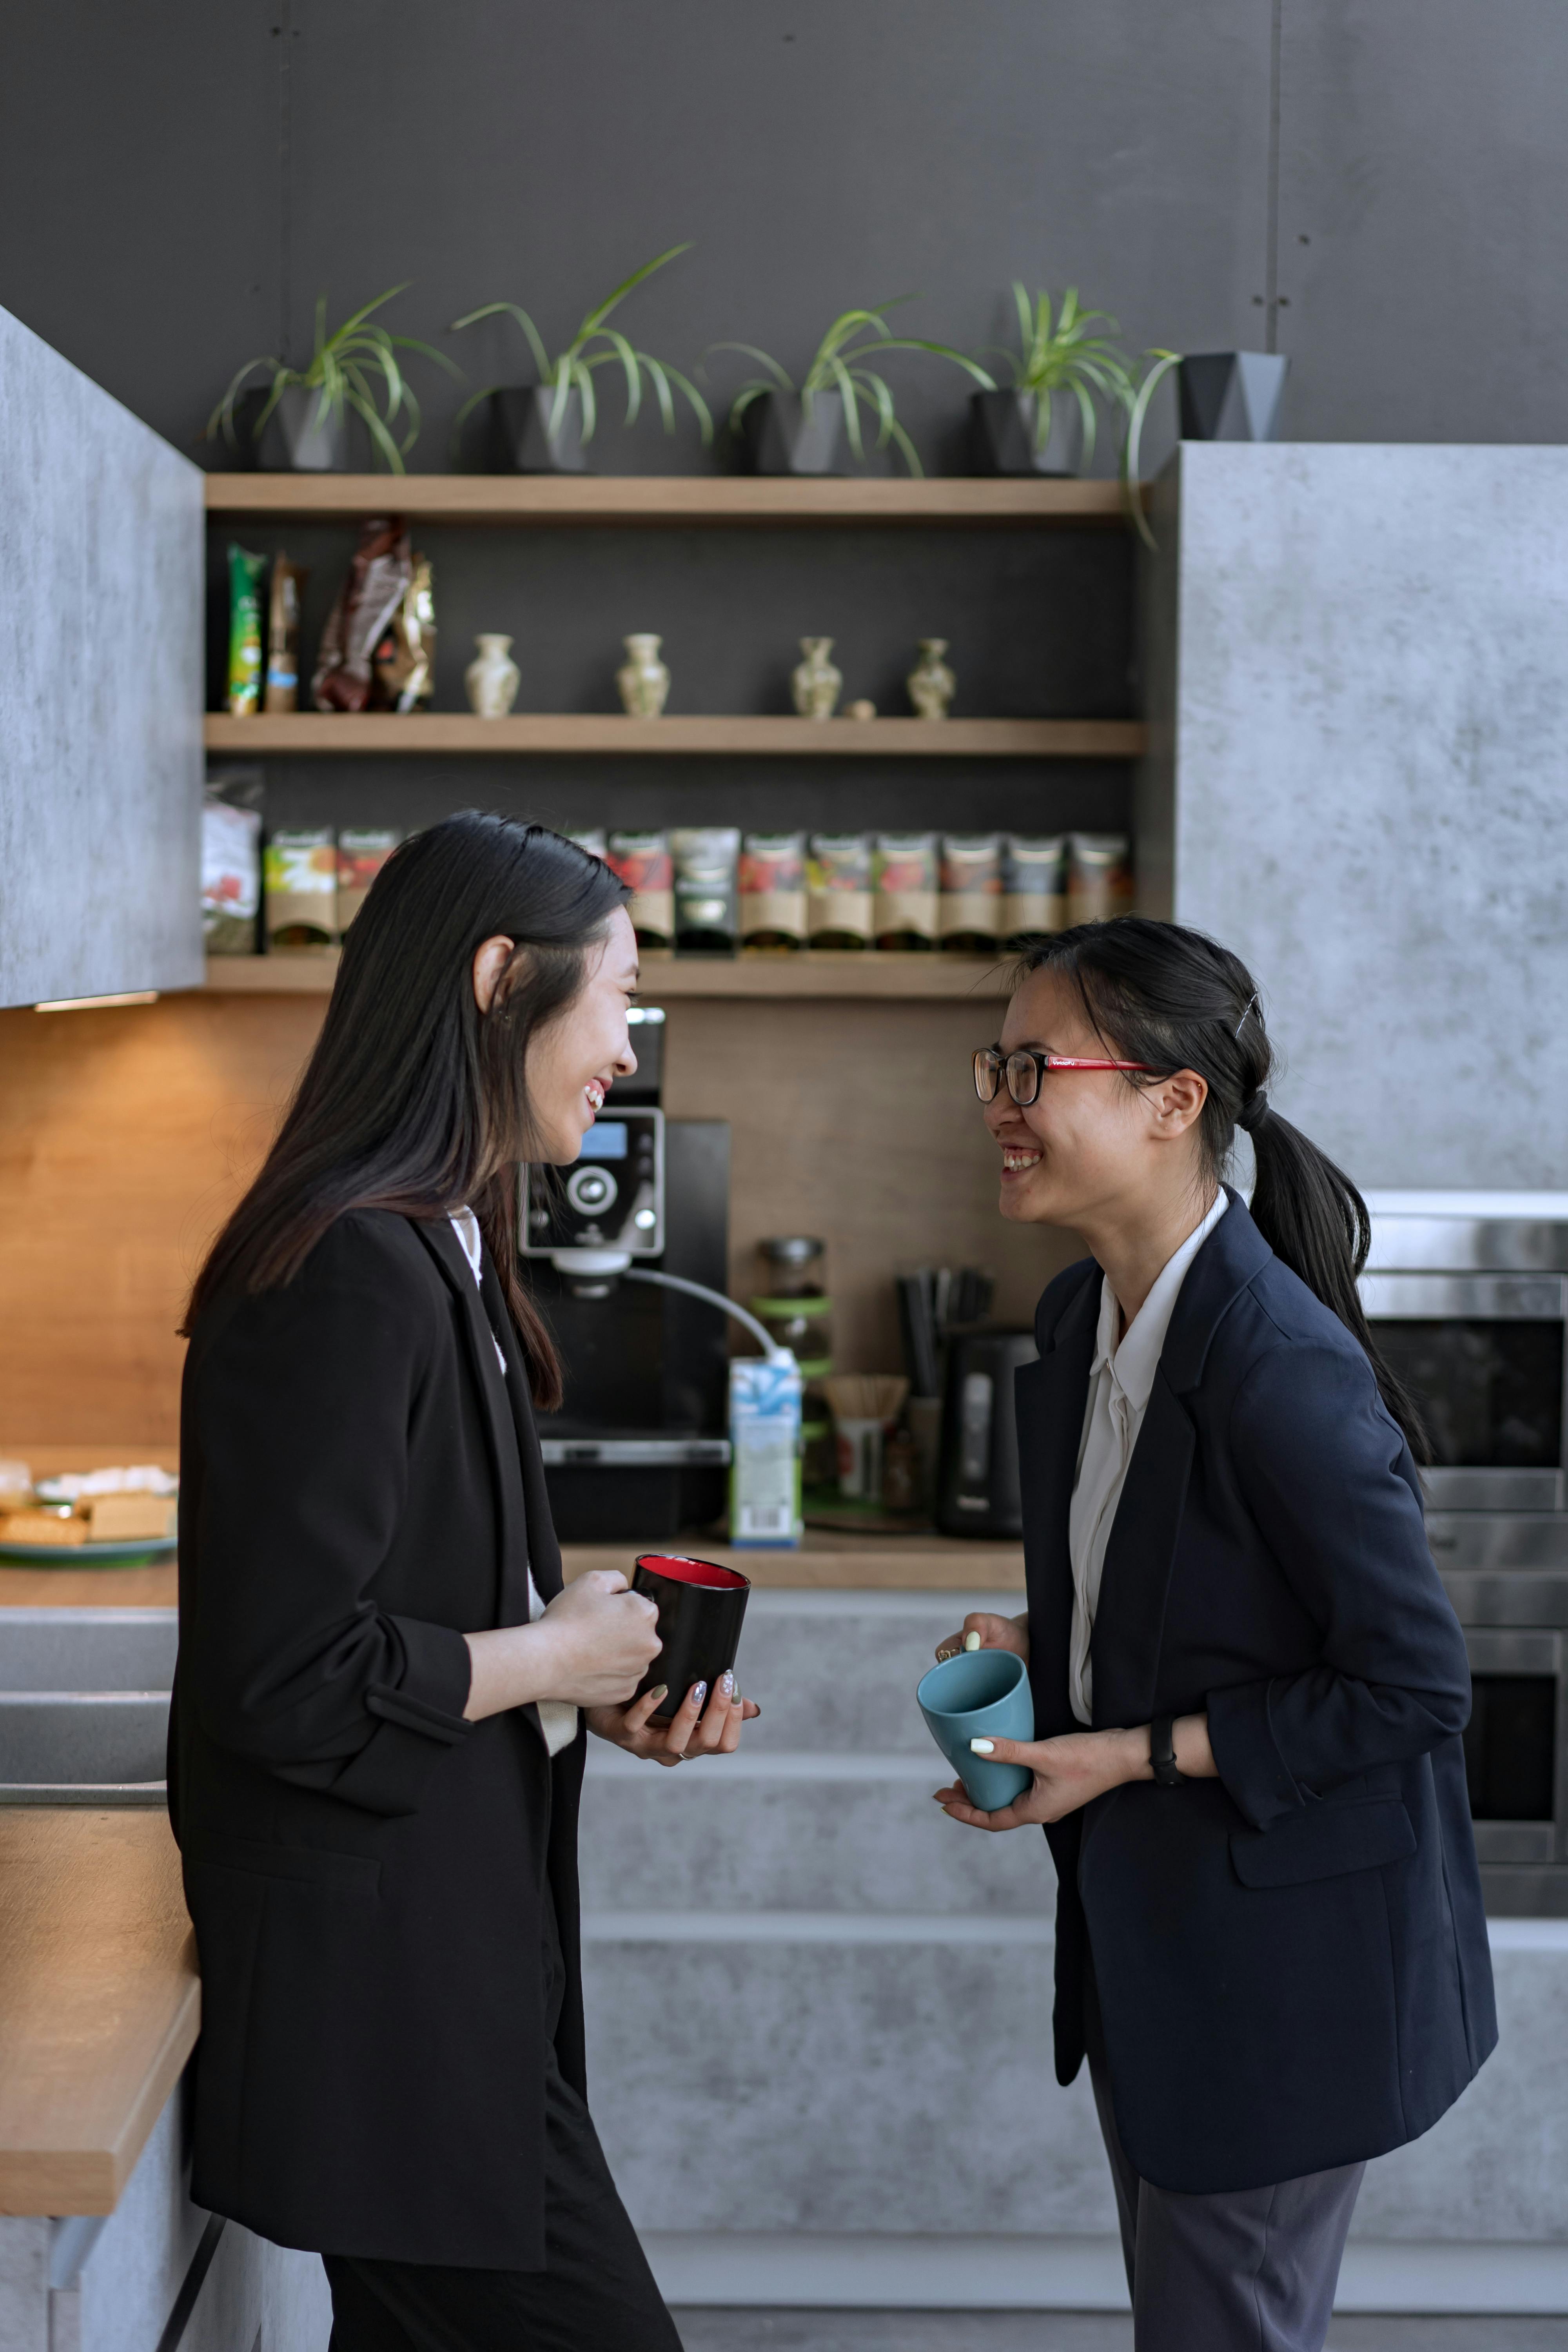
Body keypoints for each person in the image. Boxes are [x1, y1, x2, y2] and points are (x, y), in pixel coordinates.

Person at [169, 813, 756, 2351]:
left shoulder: (443, 1235)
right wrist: (545, 1664)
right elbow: (284, 1675)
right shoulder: (347, 1265)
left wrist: (581, 1694)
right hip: (385, 2015)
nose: (625, 1048)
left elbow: (428, 1614)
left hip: (457, 1971)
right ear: (503, 976)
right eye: (615, 996)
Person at [933, 917, 1494, 2352]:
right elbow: (1179, 1577)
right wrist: (1043, 1638)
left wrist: (1120, 1752)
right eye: (995, 1064)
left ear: (1173, 1100)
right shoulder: (1080, 1321)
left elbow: (1414, 1687)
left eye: (1033, 1067)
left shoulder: (1279, 1367)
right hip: (1164, 1948)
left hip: (1282, 1980)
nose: (1001, 1101)